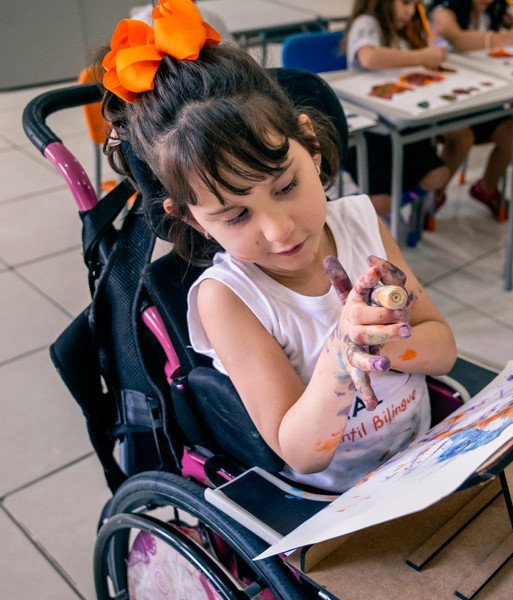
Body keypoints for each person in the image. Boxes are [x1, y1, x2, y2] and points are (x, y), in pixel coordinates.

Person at [99, 0, 457, 492]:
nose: (280, 230)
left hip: (428, 452)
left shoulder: (359, 225)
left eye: (286, 187)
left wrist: (384, 342)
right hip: (337, 501)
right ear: (191, 219)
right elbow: (303, 453)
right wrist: (342, 352)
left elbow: (442, 348)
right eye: (236, 215)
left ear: (310, 147)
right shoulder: (227, 299)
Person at [431, 0, 513, 220]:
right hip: (447, 105)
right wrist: (509, 38)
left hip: (482, 97)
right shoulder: (444, 12)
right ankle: (434, 197)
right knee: (462, 137)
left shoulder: (494, 11)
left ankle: (487, 189)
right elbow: (458, 39)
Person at [343, 0, 455, 233]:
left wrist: (428, 59)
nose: (411, 11)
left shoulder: (402, 34)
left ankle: (398, 202)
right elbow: (369, 58)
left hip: (401, 125)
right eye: (405, 3)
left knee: (440, 174)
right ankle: (378, 207)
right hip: (371, 133)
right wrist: (421, 56)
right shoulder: (367, 23)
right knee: (381, 201)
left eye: (415, 4)